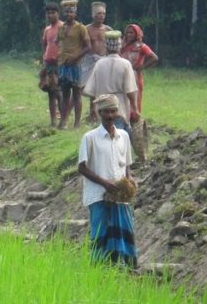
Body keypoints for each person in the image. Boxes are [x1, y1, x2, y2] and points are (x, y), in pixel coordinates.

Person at [77, 94, 138, 269]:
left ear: (117, 112)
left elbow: (126, 164)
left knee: (123, 229)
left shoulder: (124, 136)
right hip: (98, 194)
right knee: (100, 232)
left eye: (113, 111)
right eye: (106, 112)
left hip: (119, 195)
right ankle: (97, 269)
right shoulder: (90, 138)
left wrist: (129, 178)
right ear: (99, 113)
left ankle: (125, 268)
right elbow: (82, 167)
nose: (110, 115)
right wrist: (105, 183)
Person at [82, 31, 139, 131]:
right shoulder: (125, 64)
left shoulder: (99, 64)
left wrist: (92, 109)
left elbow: (91, 91)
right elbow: (130, 90)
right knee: (119, 138)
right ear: (119, 46)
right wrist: (135, 108)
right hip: (118, 109)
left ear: (106, 47)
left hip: (102, 108)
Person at [56, 0, 91, 129]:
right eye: (66, 12)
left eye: (71, 12)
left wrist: (76, 57)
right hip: (63, 64)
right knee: (65, 94)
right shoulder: (62, 27)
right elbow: (58, 43)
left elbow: (88, 47)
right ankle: (63, 121)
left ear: (75, 13)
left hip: (76, 65)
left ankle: (77, 123)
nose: (68, 14)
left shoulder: (81, 28)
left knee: (76, 94)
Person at [120, 24, 159, 115]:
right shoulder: (122, 45)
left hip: (135, 77)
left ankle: (135, 121)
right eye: (127, 33)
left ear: (137, 34)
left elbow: (154, 58)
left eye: (131, 33)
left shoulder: (141, 46)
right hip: (122, 76)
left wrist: (142, 67)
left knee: (135, 100)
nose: (129, 35)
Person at [83, 2, 112, 123]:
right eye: (99, 13)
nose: (101, 16)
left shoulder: (108, 30)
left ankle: (103, 112)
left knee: (104, 88)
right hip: (91, 61)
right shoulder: (86, 29)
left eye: (103, 14)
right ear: (93, 15)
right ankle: (92, 113)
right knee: (92, 89)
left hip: (105, 61)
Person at [40, 2, 63, 126]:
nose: (50, 15)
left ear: (58, 14)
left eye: (53, 13)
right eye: (48, 13)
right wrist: (44, 60)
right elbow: (44, 45)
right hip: (48, 63)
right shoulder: (47, 29)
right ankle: (53, 120)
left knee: (59, 92)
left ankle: (62, 119)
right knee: (50, 92)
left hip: (59, 64)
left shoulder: (63, 27)